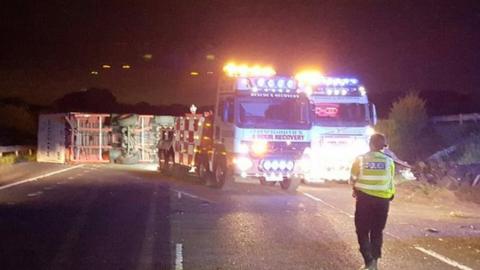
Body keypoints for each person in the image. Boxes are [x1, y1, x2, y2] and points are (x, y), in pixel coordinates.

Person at [350, 133, 395, 270]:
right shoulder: (389, 161)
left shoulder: (360, 159)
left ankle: (368, 260)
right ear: (383, 146)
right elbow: (390, 181)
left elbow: (352, 178)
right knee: (377, 231)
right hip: (383, 201)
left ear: (370, 144)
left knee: (362, 230)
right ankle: (374, 262)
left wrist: (354, 188)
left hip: (365, 200)